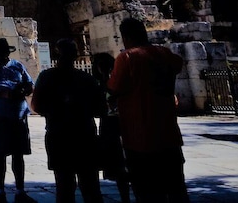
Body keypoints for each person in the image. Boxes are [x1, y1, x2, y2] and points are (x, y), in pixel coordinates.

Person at [107, 17, 190, 203]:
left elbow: (114, 88)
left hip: (140, 135)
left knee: (147, 191)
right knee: (176, 188)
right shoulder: (165, 54)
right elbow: (177, 65)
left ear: (125, 37)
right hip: (169, 134)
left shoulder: (127, 57)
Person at [30, 39, 104, 203]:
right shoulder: (87, 78)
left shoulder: (46, 77)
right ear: (76, 55)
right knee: (91, 186)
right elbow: (100, 108)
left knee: (64, 186)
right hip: (85, 135)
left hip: (59, 134)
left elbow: (35, 105)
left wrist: (54, 111)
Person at [0, 37, 36, 203]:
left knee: (19, 155)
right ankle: (1, 191)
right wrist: (3, 94)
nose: (5, 56)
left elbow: (30, 84)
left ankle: (20, 191)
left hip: (19, 116)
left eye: (6, 53)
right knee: (0, 154)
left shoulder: (17, 66)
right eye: (1, 52)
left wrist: (23, 89)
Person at [92, 52, 131, 203]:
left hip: (114, 127)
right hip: (115, 126)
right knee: (120, 166)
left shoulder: (108, 85)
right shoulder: (108, 83)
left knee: (121, 165)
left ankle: (126, 196)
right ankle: (125, 196)